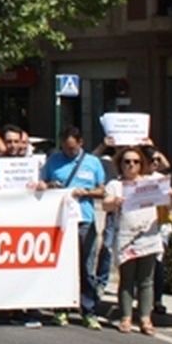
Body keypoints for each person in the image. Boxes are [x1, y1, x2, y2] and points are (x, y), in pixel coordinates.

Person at [41, 125, 109, 329]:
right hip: (60, 220)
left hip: (84, 220)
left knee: (85, 266)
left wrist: (86, 193)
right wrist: (50, 186)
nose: (68, 152)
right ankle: (60, 309)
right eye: (65, 148)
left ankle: (88, 310)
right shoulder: (53, 161)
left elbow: (102, 190)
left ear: (80, 143)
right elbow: (42, 183)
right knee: (62, 266)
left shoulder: (92, 162)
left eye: (72, 148)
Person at [101, 147, 165, 335]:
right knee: (127, 279)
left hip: (149, 236)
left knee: (146, 280)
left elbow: (167, 201)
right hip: (126, 238)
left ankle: (145, 318)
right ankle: (126, 317)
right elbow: (105, 205)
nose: (131, 165)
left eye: (136, 162)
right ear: (120, 164)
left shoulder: (151, 182)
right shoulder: (115, 185)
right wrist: (116, 202)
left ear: (142, 164)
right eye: (127, 161)